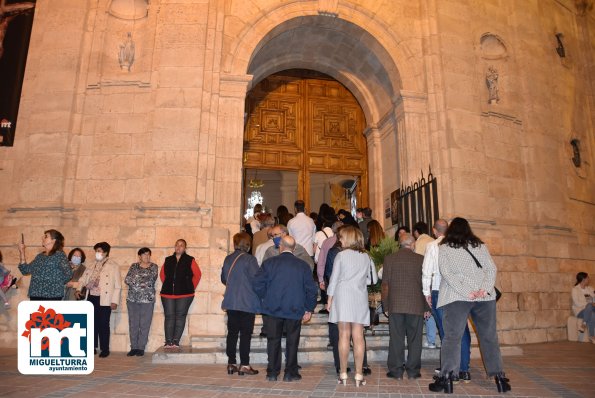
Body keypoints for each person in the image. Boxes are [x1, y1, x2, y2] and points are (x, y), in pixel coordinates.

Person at [429, 217, 510, 394]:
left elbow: (447, 273)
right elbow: (491, 269)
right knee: (489, 337)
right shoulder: (480, 246)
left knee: (452, 337)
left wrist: (467, 291)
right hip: (484, 298)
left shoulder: (444, 247)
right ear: (468, 229)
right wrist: (483, 290)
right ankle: (500, 378)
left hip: (456, 297)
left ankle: (447, 378)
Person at [254, 236, 317, 382]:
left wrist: (265, 296)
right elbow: (311, 290)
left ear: (280, 246)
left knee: (273, 340)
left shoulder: (269, 263)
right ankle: (290, 373)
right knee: (292, 341)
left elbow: (257, 284)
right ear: (294, 248)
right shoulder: (302, 266)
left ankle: (272, 373)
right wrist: (309, 308)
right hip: (295, 308)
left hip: (272, 308)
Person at [422, 219, 472, 383]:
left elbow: (426, 271)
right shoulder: (458, 244)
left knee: (446, 332)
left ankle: (451, 371)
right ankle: (464, 370)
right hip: (458, 291)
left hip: (439, 291)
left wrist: (426, 293)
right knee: (462, 331)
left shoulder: (433, 246)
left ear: (435, 231)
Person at [327, 225, 378, 387]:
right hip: (359, 296)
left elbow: (334, 279)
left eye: (341, 237)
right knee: (358, 336)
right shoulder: (366, 257)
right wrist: (360, 281)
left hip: (342, 295)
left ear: (348, 239)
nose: (339, 240)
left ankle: (342, 374)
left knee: (343, 335)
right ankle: (358, 374)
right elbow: (374, 280)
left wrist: (329, 299)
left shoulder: (341, 256)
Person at [382, 233, 428, 380]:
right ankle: (413, 371)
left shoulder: (389, 259)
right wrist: (427, 307)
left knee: (396, 338)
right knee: (415, 340)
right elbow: (425, 285)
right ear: (412, 244)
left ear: (399, 244)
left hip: (395, 305)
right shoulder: (421, 259)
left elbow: (385, 285)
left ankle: (396, 371)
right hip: (416, 305)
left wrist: (386, 306)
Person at [221, 232, 261, 375]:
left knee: (232, 333)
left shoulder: (228, 259)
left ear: (235, 244)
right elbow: (257, 280)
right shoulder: (250, 260)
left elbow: (224, 278)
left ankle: (231, 363)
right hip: (247, 303)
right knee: (245, 334)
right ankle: (244, 364)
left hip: (232, 302)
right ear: (248, 245)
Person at [75, 242, 121, 358]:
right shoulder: (91, 265)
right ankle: (92, 347)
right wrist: (78, 289)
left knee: (104, 324)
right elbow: (82, 279)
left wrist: (114, 301)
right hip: (91, 297)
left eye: (99, 251)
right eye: (96, 251)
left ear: (105, 252)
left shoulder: (113, 266)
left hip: (105, 298)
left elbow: (117, 286)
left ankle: (105, 348)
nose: (97, 253)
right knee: (92, 323)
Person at [160, 239, 202, 349]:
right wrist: (169, 285)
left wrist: (190, 287)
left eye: (181, 245)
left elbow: (197, 275)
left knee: (180, 317)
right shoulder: (168, 260)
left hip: (185, 295)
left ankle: (175, 341)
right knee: (169, 317)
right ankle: (168, 341)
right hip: (167, 294)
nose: (178, 247)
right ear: (174, 247)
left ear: (185, 248)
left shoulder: (190, 260)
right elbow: (162, 275)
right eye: (177, 245)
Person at [18, 230, 72, 301]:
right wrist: (22, 252)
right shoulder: (39, 257)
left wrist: (55, 284)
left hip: (52, 296)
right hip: (35, 295)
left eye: (46, 236)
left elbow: (68, 274)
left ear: (53, 240)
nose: (42, 238)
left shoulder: (60, 255)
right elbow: (25, 270)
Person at [125, 247, 158, 357]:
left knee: (144, 324)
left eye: (148, 254)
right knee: (133, 324)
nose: (147, 256)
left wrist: (137, 281)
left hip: (147, 300)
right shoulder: (133, 266)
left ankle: (141, 347)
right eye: (144, 254)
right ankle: (133, 347)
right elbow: (127, 279)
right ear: (139, 256)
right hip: (132, 299)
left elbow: (150, 280)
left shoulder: (154, 267)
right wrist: (141, 283)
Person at [572, 272, 594, 343]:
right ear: (583, 279)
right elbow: (577, 303)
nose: (589, 279)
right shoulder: (575, 290)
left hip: (592, 308)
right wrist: (588, 304)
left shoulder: (590, 289)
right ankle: (592, 336)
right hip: (580, 311)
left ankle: (584, 324)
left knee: (590, 306)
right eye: (587, 278)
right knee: (592, 314)